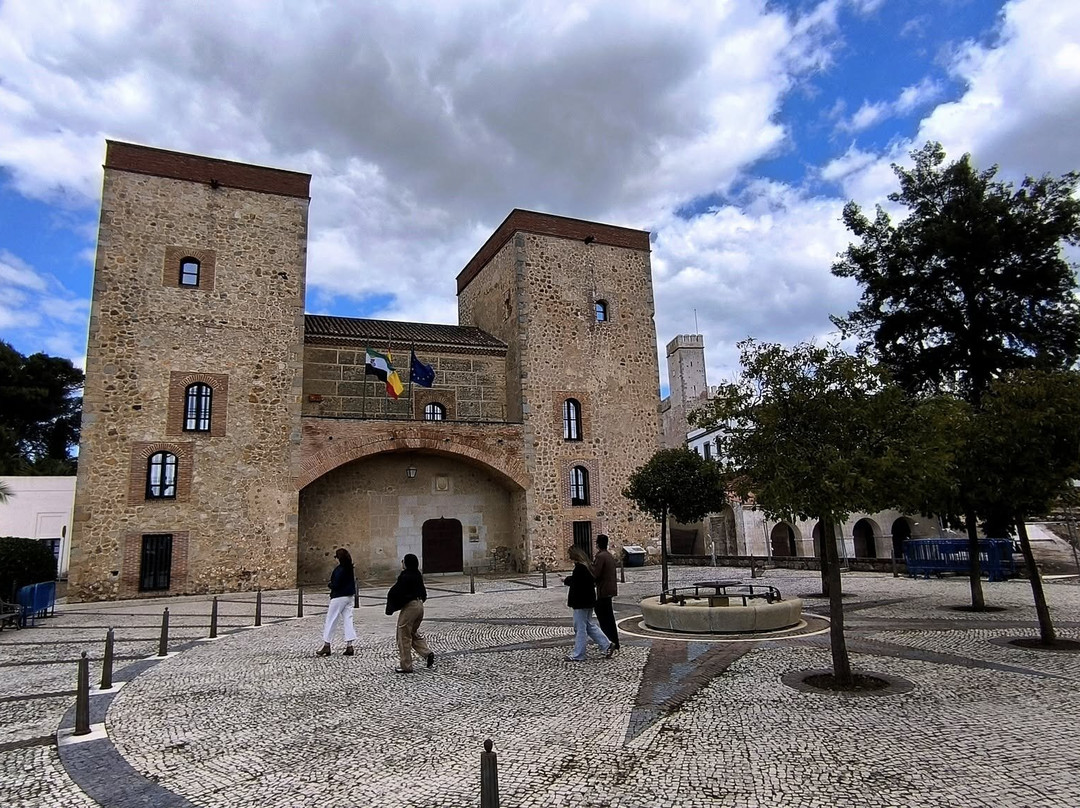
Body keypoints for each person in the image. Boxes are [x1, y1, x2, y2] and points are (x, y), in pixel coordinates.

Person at [385, 553, 435, 674]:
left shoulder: (405, 576)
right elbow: (423, 591)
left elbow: (396, 591)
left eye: (403, 561)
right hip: (419, 606)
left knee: (403, 635)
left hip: (410, 607)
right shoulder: (417, 574)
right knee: (412, 632)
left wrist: (391, 606)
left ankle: (406, 665)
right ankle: (426, 653)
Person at [562, 545, 613, 662]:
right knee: (589, 625)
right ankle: (606, 645)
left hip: (581, 602)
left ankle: (578, 654)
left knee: (580, 628)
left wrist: (566, 580)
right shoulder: (587, 567)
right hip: (588, 601)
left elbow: (577, 583)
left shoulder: (580, 568)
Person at [316, 547, 356, 657]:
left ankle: (327, 645)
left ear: (339, 558)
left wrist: (330, 585)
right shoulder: (350, 568)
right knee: (348, 619)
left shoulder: (340, 569)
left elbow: (336, 584)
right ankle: (349, 645)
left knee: (331, 619)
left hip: (338, 596)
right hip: (349, 596)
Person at [591, 534, 620, 653]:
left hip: (603, 591)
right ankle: (614, 641)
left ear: (597, 544)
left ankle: (609, 642)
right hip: (609, 589)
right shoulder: (608, 556)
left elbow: (595, 573)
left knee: (604, 617)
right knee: (609, 617)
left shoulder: (601, 557)